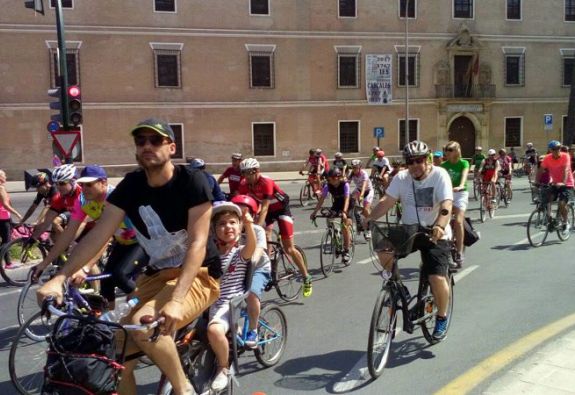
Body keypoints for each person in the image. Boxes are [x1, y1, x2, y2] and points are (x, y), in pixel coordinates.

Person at [38, 118, 222, 395]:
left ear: (172, 147)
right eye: (140, 141)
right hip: (156, 275)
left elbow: (197, 243)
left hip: (198, 275)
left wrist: (177, 300)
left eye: (155, 140)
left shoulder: (191, 181)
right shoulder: (131, 184)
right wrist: (60, 277)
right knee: (112, 348)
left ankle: (184, 389)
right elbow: (99, 234)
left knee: (143, 324)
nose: (147, 145)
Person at [366, 140, 453, 340]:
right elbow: (386, 201)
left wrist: (440, 224)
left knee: (436, 277)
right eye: (410, 161)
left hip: (435, 233)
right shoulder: (402, 178)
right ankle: (399, 287)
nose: (414, 165)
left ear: (427, 159)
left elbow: (447, 204)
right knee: (383, 249)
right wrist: (369, 218)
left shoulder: (440, 175)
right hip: (410, 230)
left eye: (419, 160)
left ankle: (441, 317)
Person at [64, 165, 149, 307]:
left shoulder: (115, 197)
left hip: (142, 242)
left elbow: (105, 237)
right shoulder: (84, 202)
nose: (84, 188)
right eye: (82, 184)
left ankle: (145, 304)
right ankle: (107, 322)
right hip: (123, 242)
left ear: (103, 182)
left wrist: (86, 267)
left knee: (120, 275)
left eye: (89, 184)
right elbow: (76, 229)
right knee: (106, 282)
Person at [238, 158, 313, 297]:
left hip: (281, 209)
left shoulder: (266, 181)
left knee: (289, 248)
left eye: (249, 173)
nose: (247, 177)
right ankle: (268, 265)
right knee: (264, 236)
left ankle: (306, 276)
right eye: (244, 173)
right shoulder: (244, 184)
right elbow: (245, 204)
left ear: (257, 171)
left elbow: (265, 207)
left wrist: (257, 227)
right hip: (267, 210)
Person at [207, 202, 256, 392]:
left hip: (229, 302)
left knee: (214, 331)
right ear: (214, 230)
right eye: (222, 224)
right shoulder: (208, 254)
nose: (228, 227)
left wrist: (249, 225)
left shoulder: (239, 252)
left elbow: (251, 245)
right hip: (208, 301)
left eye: (233, 222)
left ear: (239, 226)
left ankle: (223, 367)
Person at [229, 194, 271, 350]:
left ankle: (253, 331)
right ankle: (235, 328)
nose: (240, 218)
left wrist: (248, 260)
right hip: (238, 270)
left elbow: (257, 253)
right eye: (236, 214)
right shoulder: (230, 230)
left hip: (258, 268)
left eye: (243, 214)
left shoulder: (258, 230)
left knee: (252, 294)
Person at [30, 164, 83, 245]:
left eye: (62, 183)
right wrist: (33, 238)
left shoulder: (83, 194)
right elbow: (46, 223)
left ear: (72, 181)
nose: (58, 187)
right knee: (54, 237)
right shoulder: (58, 198)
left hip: (90, 223)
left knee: (56, 223)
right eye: (56, 183)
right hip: (75, 221)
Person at [309, 168, 353, 263]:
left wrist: (344, 212)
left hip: (348, 205)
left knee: (345, 226)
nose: (329, 181)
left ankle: (346, 251)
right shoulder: (328, 186)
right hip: (337, 203)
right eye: (328, 179)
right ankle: (334, 233)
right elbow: (321, 199)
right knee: (329, 217)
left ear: (338, 178)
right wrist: (314, 212)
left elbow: (347, 199)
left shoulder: (345, 184)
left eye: (331, 179)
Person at [441, 142, 469, 267]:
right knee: (440, 220)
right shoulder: (443, 165)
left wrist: (461, 185)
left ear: (457, 150)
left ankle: (459, 252)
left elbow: (464, 175)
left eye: (450, 149)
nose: (447, 152)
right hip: (448, 194)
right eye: (446, 149)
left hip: (460, 193)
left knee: (458, 221)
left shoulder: (464, 163)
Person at [541, 140, 574, 232]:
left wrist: (563, 182)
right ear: (550, 150)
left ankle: (565, 222)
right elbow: (540, 169)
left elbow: (566, 170)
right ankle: (550, 219)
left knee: (561, 203)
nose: (557, 150)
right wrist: (536, 181)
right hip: (555, 183)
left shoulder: (565, 156)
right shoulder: (547, 158)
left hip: (567, 184)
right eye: (554, 149)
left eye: (559, 148)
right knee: (548, 199)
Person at [349, 159, 374, 240]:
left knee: (366, 210)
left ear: (360, 167)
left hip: (368, 191)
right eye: (353, 167)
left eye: (356, 167)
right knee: (350, 200)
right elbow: (347, 183)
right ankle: (358, 223)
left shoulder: (364, 174)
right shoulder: (352, 174)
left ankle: (369, 229)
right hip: (358, 190)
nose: (354, 169)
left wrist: (362, 195)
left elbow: (364, 186)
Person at [0, 170, 23, 255]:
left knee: (6, 240)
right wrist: (17, 213)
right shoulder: (1, 188)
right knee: (6, 241)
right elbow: (5, 205)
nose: (6, 177)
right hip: (3, 217)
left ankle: (8, 262)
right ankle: (6, 263)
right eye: (4, 175)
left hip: (2, 217)